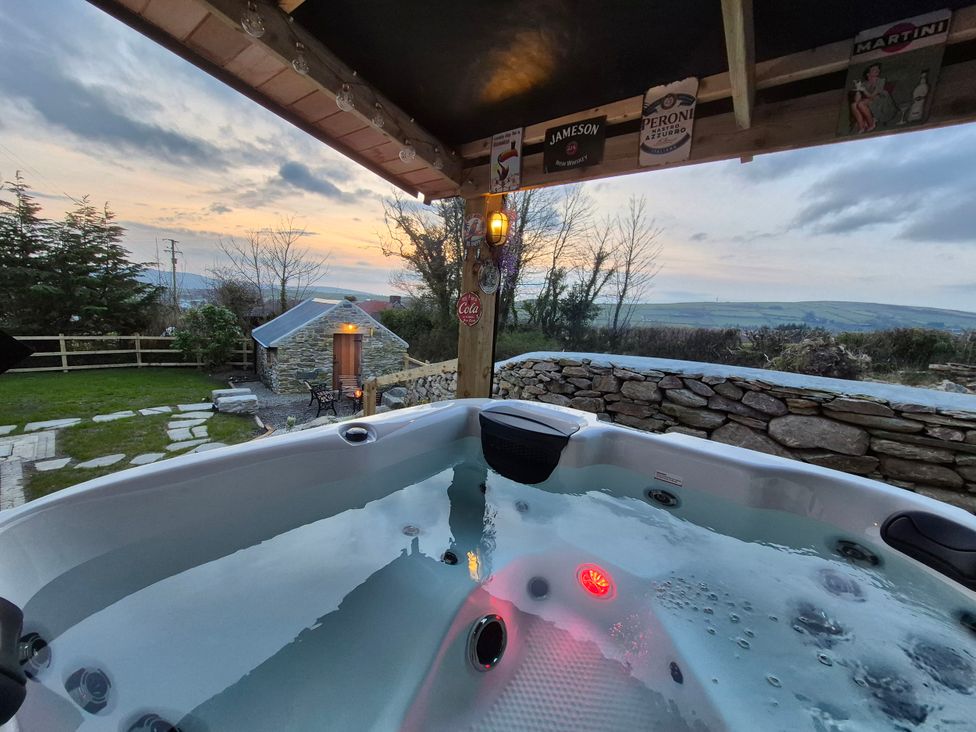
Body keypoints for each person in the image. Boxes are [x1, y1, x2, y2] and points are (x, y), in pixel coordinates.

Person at [850, 63, 896, 132]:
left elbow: (872, 96)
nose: (877, 70)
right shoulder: (864, 83)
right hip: (872, 101)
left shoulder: (881, 81)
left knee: (861, 104)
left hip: (883, 103)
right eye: (874, 69)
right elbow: (857, 100)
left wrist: (864, 90)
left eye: (878, 69)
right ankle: (861, 126)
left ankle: (871, 124)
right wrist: (858, 89)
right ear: (868, 74)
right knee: (853, 105)